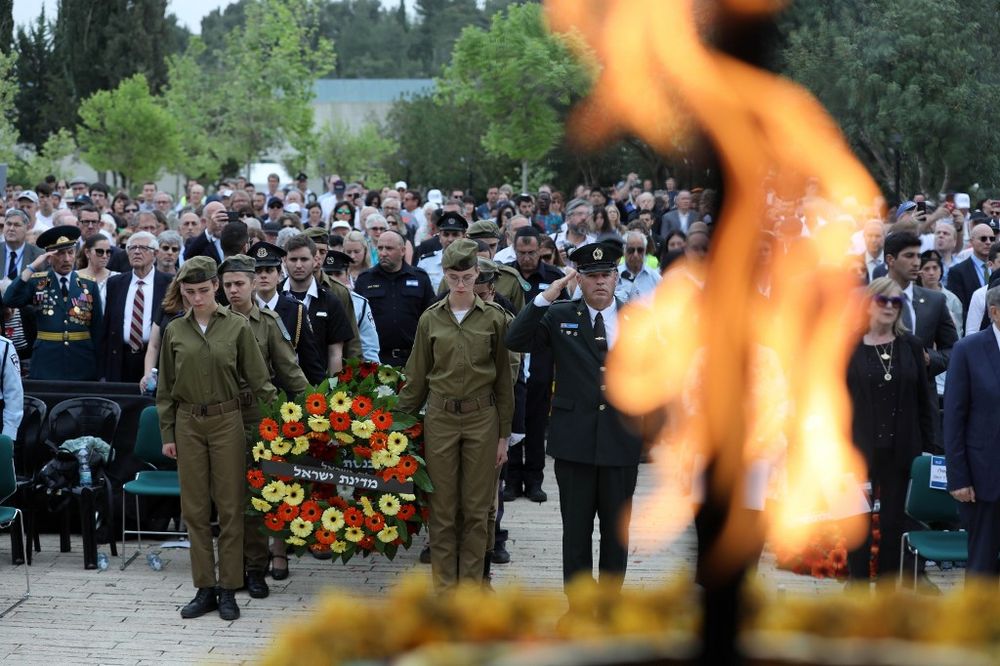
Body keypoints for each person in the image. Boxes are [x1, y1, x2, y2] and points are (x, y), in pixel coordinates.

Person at [505, 243, 641, 591]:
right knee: (576, 531)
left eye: (605, 275)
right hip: (574, 440)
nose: (599, 283)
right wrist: (546, 296)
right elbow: (516, 339)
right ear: (577, 279)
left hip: (621, 439)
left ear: (615, 278)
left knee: (616, 533)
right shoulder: (560, 313)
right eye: (591, 276)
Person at [156, 256, 276, 621]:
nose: (196, 298)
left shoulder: (237, 327)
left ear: (216, 288)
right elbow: (165, 389)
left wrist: (284, 423)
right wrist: (167, 433)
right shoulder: (175, 331)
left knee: (230, 507)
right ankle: (204, 587)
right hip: (189, 423)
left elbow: (260, 380)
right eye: (189, 292)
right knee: (193, 510)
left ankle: (229, 588)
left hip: (228, 421)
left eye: (203, 291)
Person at [396, 239, 514, 591]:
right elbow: (415, 379)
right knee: (443, 510)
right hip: (441, 418)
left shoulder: (494, 319)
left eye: (466, 277)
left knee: (477, 512)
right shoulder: (430, 319)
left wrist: (504, 435)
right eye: (453, 277)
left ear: (478, 275)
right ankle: (445, 592)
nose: (460, 285)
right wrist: (392, 428)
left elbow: (505, 383)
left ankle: (472, 589)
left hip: (483, 418)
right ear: (444, 275)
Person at [218, 255, 310, 598]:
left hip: (259, 416)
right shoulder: (214, 321)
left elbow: (290, 371)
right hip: (223, 416)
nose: (233, 291)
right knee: (227, 496)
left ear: (254, 283)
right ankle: (230, 569)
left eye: (239, 283)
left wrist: (313, 410)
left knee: (257, 495)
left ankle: (256, 568)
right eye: (227, 285)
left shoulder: (268, 322)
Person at [845, 277, 933, 586]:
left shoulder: (911, 345)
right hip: (856, 451)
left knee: (894, 523)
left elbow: (926, 400)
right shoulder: (849, 347)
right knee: (856, 523)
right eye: (884, 300)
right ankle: (856, 587)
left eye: (897, 302)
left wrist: (928, 448)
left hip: (901, 450)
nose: (890, 307)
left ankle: (884, 591)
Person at [504, 226, 568, 502]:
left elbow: (565, 318)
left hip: (542, 359)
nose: (527, 258)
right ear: (514, 248)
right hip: (513, 359)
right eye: (521, 252)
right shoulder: (506, 277)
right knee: (512, 420)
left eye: (532, 252)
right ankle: (511, 479)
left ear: (541, 249)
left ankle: (534, 480)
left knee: (536, 421)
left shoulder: (554, 278)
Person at [943, 285, 1000, 578]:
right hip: (985, 478)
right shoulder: (969, 350)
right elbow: (954, 418)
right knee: (982, 565)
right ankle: (979, 623)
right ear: (994, 312)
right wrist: (959, 478)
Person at [5, 225, 104, 380]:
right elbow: (10, 299)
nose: (66, 259)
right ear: (49, 257)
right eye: (60, 254)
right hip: (47, 360)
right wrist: (31, 268)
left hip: (81, 359)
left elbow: (98, 327)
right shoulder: (37, 281)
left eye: (70, 252)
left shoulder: (88, 284)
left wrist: (100, 367)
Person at [250, 241, 328, 386]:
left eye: (269, 270)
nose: (263, 276)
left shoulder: (296, 310)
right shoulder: (244, 309)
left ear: (279, 274)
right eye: (258, 271)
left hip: (287, 395)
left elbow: (309, 358)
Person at [354, 230, 435, 367]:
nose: (383, 253)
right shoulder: (365, 280)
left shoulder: (420, 278)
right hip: (376, 359)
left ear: (403, 251)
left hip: (413, 359)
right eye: (380, 248)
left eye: (389, 248)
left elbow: (432, 317)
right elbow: (356, 322)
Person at [102, 231, 172, 383]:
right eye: (132, 248)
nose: (137, 252)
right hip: (120, 358)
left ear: (156, 253)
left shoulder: (169, 284)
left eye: (143, 248)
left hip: (156, 358)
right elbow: (107, 325)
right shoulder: (115, 283)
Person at [281, 235, 353, 376]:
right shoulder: (276, 296)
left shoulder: (331, 301)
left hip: (318, 387)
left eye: (304, 259)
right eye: (293, 259)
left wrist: (331, 391)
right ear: (284, 260)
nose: (299, 265)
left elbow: (335, 353)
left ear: (315, 260)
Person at [323, 250, 380, 363]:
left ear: (348, 274)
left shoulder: (360, 303)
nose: (333, 279)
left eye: (338, 274)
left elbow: (369, 348)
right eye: (328, 274)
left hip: (349, 369)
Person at [947, 222, 995, 320]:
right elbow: (959, 308)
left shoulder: (997, 267)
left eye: (992, 239)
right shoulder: (957, 272)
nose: (988, 242)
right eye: (983, 238)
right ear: (971, 241)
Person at [418, 212, 469, 292]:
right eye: (446, 235)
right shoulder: (426, 263)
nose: (450, 239)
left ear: (464, 237)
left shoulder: (471, 262)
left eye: (455, 235)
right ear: (439, 237)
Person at [615, 231, 661, 302]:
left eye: (640, 250)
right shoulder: (614, 276)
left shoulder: (656, 278)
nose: (635, 254)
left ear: (645, 251)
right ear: (624, 251)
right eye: (631, 250)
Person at [0, 209, 44, 281]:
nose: (11, 229)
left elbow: (48, 284)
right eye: (8, 224)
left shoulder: (39, 256)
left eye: (17, 225)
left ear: (27, 228)